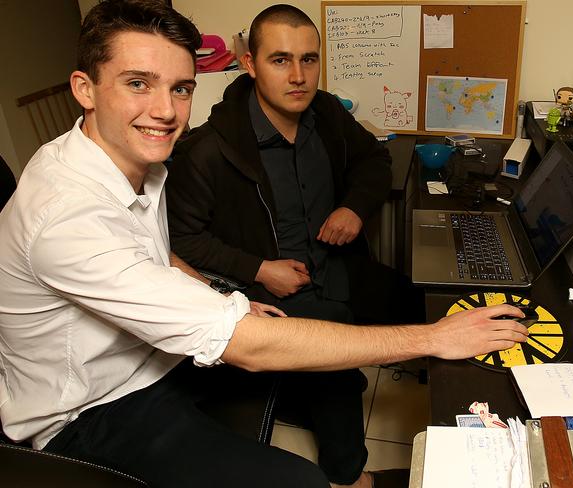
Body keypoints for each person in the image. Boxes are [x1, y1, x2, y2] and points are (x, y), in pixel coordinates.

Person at [0, 2, 529, 488]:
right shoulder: (67, 214)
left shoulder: (136, 160)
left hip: (155, 355)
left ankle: (354, 478)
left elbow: (155, 254)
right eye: (138, 83)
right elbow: (243, 341)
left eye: (181, 88)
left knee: (335, 371)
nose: (165, 110)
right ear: (85, 88)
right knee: (299, 480)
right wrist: (434, 338)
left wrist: (218, 297)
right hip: (91, 410)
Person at [164, 6, 424, 486]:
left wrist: (352, 208)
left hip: (336, 265)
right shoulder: (209, 150)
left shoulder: (324, 112)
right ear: (250, 64)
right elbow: (181, 240)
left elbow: (375, 160)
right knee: (336, 365)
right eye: (281, 60)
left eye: (309, 59)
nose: (299, 76)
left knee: (417, 297)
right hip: (269, 291)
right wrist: (259, 268)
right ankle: (348, 476)